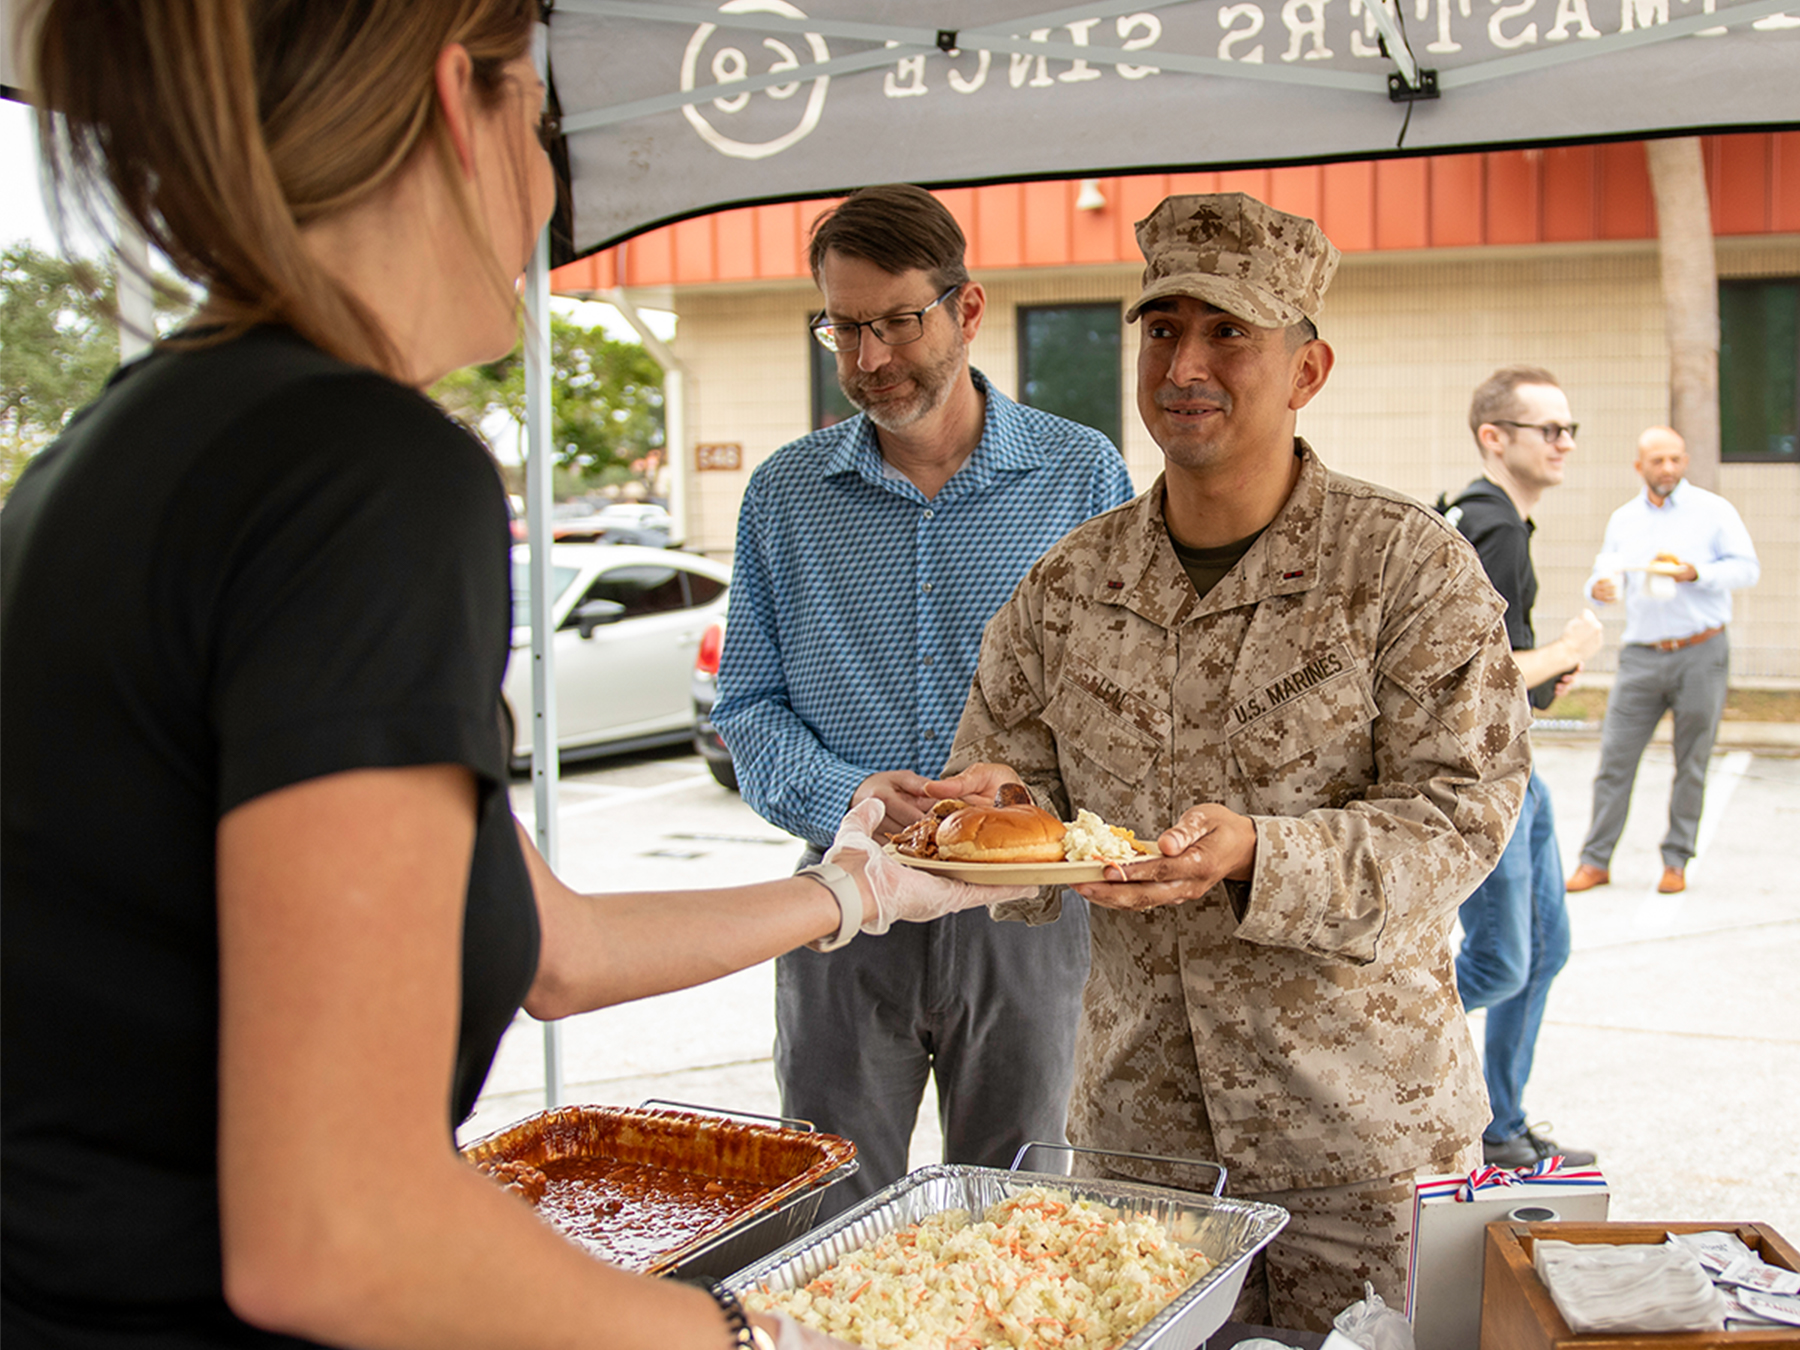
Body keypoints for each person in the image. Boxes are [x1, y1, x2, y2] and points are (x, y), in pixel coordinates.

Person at [0, 8, 1030, 1350]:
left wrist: (851, 890)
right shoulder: (362, 471)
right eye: (542, 129)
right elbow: (337, 1230)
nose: (549, 192)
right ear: (459, 102)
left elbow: (552, 949)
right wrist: (759, 1342)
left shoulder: (134, 435)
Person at [930, 192, 1532, 1331]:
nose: (1185, 364)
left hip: (1359, 1143)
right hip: (1141, 1151)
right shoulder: (1068, 586)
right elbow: (1012, 782)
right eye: (1163, 330)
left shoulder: (1406, 568)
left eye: (1229, 334)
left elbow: (1465, 814)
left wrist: (1264, 854)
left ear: (1307, 370)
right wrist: (980, 815)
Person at [712, 183, 1135, 1219]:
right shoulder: (784, 493)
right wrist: (851, 792)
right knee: (826, 1211)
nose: (867, 360)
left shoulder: (1082, 476)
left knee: (1020, 1207)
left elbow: (1132, 703)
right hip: (843, 901)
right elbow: (751, 709)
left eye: (896, 322)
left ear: (969, 309)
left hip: (1026, 915)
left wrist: (1026, 792)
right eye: (842, 329)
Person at [1439, 366, 1604, 1169]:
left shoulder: (1488, 519)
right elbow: (1480, 671)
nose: (1565, 442)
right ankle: (1376, 1028)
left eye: (1570, 428)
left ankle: (1501, 1124)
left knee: (1544, 952)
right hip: (1486, 777)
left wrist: (1548, 669)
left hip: (1516, 768)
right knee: (1502, 959)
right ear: (1494, 438)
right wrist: (1570, 650)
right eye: (1550, 429)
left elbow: (1498, 661)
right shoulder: (1493, 525)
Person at [1566, 426, 1760, 896]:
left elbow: (1747, 568)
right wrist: (1599, 588)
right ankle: (1595, 860)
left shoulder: (1714, 512)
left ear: (1685, 461)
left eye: (1675, 459)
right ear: (1640, 466)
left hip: (1701, 651)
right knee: (1615, 760)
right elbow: (1605, 571)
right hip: (1641, 656)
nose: (1667, 468)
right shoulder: (1624, 519)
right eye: (1658, 461)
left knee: (1690, 761)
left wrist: (1698, 573)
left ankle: (1676, 861)